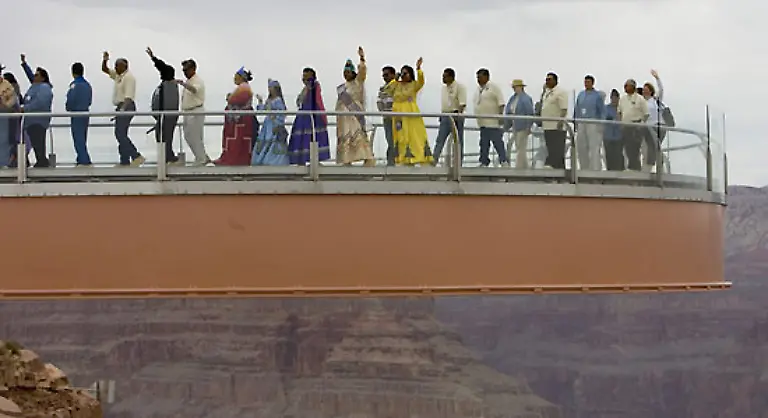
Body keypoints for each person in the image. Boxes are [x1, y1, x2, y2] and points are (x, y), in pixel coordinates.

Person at [382, 57, 433, 166]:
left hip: (411, 113)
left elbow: (421, 81)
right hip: (398, 115)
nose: (404, 76)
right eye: (402, 73)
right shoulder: (397, 85)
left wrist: (419, 69)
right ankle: (403, 159)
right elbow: (387, 90)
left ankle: (418, 157)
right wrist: (395, 80)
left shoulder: (414, 85)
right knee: (401, 136)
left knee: (414, 136)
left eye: (406, 73)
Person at [102, 51, 145, 166]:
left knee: (119, 133)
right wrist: (105, 59)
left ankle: (136, 156)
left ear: (124, 66)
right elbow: (105, 70)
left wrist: (122, 110)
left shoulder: (129, 77)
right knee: (122, 134)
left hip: (127, 107)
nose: (115, 67)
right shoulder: (118, 76)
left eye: (117, 65)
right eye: (115, 65)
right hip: (120, 107)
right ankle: (124, 160)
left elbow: (129, 97)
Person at [335, 47, 375, 166]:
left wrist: (362, 58)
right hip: (343, 116)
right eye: (344, 73)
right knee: (345, 136)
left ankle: (368, 158)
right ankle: (346, 160)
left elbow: (362, 72)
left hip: (354, 114)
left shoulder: (358, 82)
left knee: (358, 135)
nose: (346, 75)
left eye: (348, 72)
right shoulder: (342, 87)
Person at [288, 67, 331, 165]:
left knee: (314, 137)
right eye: (303, 76)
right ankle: (301, 160)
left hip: (313, 116)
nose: (304, 79)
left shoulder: (314, 86)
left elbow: (317, 100)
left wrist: (322, 115)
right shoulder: (305, 89)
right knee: (303, 138)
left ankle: (314, 160)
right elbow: (299, 101)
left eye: (306, 76)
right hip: (303, 117)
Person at [214, 67, 255, 166]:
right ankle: (232, 158)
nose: (234, 78)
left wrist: (229, 98)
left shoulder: (244, 88)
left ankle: (235, 159)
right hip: (237, 119)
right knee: (235, 139)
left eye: (236, 76)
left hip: (241, 120)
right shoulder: (242, 87)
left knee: (239, 140)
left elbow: (236, 100)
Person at [146, 47, 180, 165]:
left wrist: (153, 58)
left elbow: (168, 104)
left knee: (165, 137)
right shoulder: (166, 85)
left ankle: (168, 158)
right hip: (162, 117)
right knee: (162, 137)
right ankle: (167, 157)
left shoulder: (169, 86)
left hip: (166, 117)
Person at [18, 55, 53, 168]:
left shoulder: (44, 88)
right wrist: (24, 64)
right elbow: (30, 76)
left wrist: (25, 108)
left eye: (37, 75)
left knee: (39, 143)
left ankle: (42, 162)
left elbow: (40, 103)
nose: (34, 76)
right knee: (36, 143)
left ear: (43, 78)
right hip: (31, 121)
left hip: (38, 121)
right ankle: (41, 161)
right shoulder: (35, 85)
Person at [176, 58, 210, 166]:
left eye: (187, 70)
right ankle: (202, 156)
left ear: (193, 69)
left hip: (196, 110)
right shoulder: (189, 81)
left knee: (195, 136)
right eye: (184, 70)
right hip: (188, 112)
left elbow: (195, 89)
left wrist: (183, 84)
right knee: (188, 136)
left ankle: (201, 159)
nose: (185, 72)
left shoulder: (197, 81)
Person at [432, 67, 467, 165]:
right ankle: (434, 160)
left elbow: (462, 103)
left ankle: (458, 163)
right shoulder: (443, 88)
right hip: (445, 115)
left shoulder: (459, 87)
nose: (443, 79)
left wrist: (457, 116)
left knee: (458, 141)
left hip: (455, 115)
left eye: (445, 77)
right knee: (440, 139)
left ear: (451, 77)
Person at [251, 79, 289, 165]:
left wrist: (277, 122)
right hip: (267, 124)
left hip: (274, 123)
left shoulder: (278, 100)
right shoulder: (270, 100)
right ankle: (262, 160)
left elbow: (282, 114)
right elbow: (263, 109)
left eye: (271, 88)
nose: (269, 89)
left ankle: (274, 161)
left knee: (273, 141)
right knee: (265, 141)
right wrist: (260, 101)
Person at [475, 68, 507, 167]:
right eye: (477, 78)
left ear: (486, 77)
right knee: (484, 143)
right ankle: (484, 161)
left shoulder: (494, 88)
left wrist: (500, 116)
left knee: (497, 142)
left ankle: (504, 160)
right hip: (482, 122)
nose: (478, 80)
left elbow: (501, 103)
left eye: (480, 77)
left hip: (492, 121)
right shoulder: (479, 90)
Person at [574, 75, 606, 171]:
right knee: (581, 147)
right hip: (581, 122)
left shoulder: (597, 96)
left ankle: (595, 169)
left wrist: (601, 124)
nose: (586, 84)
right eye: (585, 82)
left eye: (588, 82)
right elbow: (577, 108)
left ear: (592, 83)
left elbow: (602, 111)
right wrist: (575, 121)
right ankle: (584, 167)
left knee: (593, 147)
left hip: (593, 122)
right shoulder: (581, 94)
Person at [617, 79, 649, 171]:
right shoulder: (622, 99)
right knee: (627, 148)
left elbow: (646, 114)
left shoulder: (640, 99)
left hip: (636, 126)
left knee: (634, 148)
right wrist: (620, 123)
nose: (625, 87)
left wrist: (641, 124)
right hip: (625, 126)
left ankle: (635, 168)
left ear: (633, 86)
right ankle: (629, 167)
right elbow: (619, 112)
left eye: (627, 85)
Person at [65, 62, 93, 166]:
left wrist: (68, 107)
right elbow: (89, 101)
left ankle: (84, 160)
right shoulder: (87, 85)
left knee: (78, 138)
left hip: (76, 114)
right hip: (85, 112)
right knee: (83, 137)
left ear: (73, 72)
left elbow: (70, 100)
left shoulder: (74, 85)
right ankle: (81, 158)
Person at [539, 72, 569, 169]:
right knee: (550, 148)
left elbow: (564, 108)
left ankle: (552, 166)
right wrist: (543, 91)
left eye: (549, 79)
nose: (547, 82)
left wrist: (560, 121)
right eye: (546, 80)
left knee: (557, 150)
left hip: (556, 126)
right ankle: (557, 170)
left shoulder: (560, 92)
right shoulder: (547, 93)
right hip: (547, 125)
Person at [503, 79, 535, 169]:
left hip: (523, 125)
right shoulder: (513, 98)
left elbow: (529, 113)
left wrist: (529, 126)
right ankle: (525, 166)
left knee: (521, 147)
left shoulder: (526, 98)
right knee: (519, 147)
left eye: (516, 87)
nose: (514, 89)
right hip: (515, 125)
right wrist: (506, 125)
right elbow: (508, 111)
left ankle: (519, 167)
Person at [2, 72, 28, 168]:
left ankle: (16, 160)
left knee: (12, 139)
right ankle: (18, 160)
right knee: (13, 139)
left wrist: (5, 106)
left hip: (11, 119)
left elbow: (12, 103)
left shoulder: (11, 88)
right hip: (10, 118)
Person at [640, 69, 665, 172]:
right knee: (650, 149)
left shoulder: (655, 100)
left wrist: (657, 78)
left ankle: (656, 168)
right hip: (647, 129)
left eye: (647, 89)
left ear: (651, 91)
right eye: (643, 89)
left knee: (654, 148)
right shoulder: (641, 102)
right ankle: (650, 168)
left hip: (658, 126)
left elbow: (661, 90)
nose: (644, 91)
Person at [377, 66, 396, 166]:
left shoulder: (397, 86)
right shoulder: (382, 89)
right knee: (389, 140)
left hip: (397, 118)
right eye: (383, 75)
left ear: (393, 74)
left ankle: (393, 162)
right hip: (387, 118)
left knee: (396, 140)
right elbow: (379, 102)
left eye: (386, 75)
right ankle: (391, 162)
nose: (384, 77)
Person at [603, 89, 624, 171]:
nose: (614, 100)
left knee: (618, 155)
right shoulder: (606, 108)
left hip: (619, 136)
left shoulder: (621, 109)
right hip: (608, 136)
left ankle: (619, 172)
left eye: (616, 98)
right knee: (609, 155)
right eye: (613, 98)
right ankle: (610, 171)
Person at [0, 67, 16, 167]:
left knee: (3, 140)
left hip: (3, 117)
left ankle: (3, 164)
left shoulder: (7, 85)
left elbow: (13, 99)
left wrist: (5, 106)